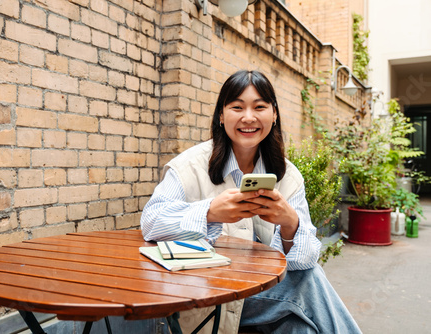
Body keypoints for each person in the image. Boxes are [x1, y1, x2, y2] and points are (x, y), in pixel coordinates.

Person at [141, 70, 361, 334]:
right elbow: (151, 221)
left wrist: (290, 223)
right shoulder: (189, 166)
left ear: (274, 114)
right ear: (221, 116)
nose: (248, 117)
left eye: (260, 107)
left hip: (263, 293)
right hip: (209, 293)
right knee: (308, 284)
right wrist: (210, 212)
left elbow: (304, 261)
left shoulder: (288, 176)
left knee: (301, 328)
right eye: (237, 107)